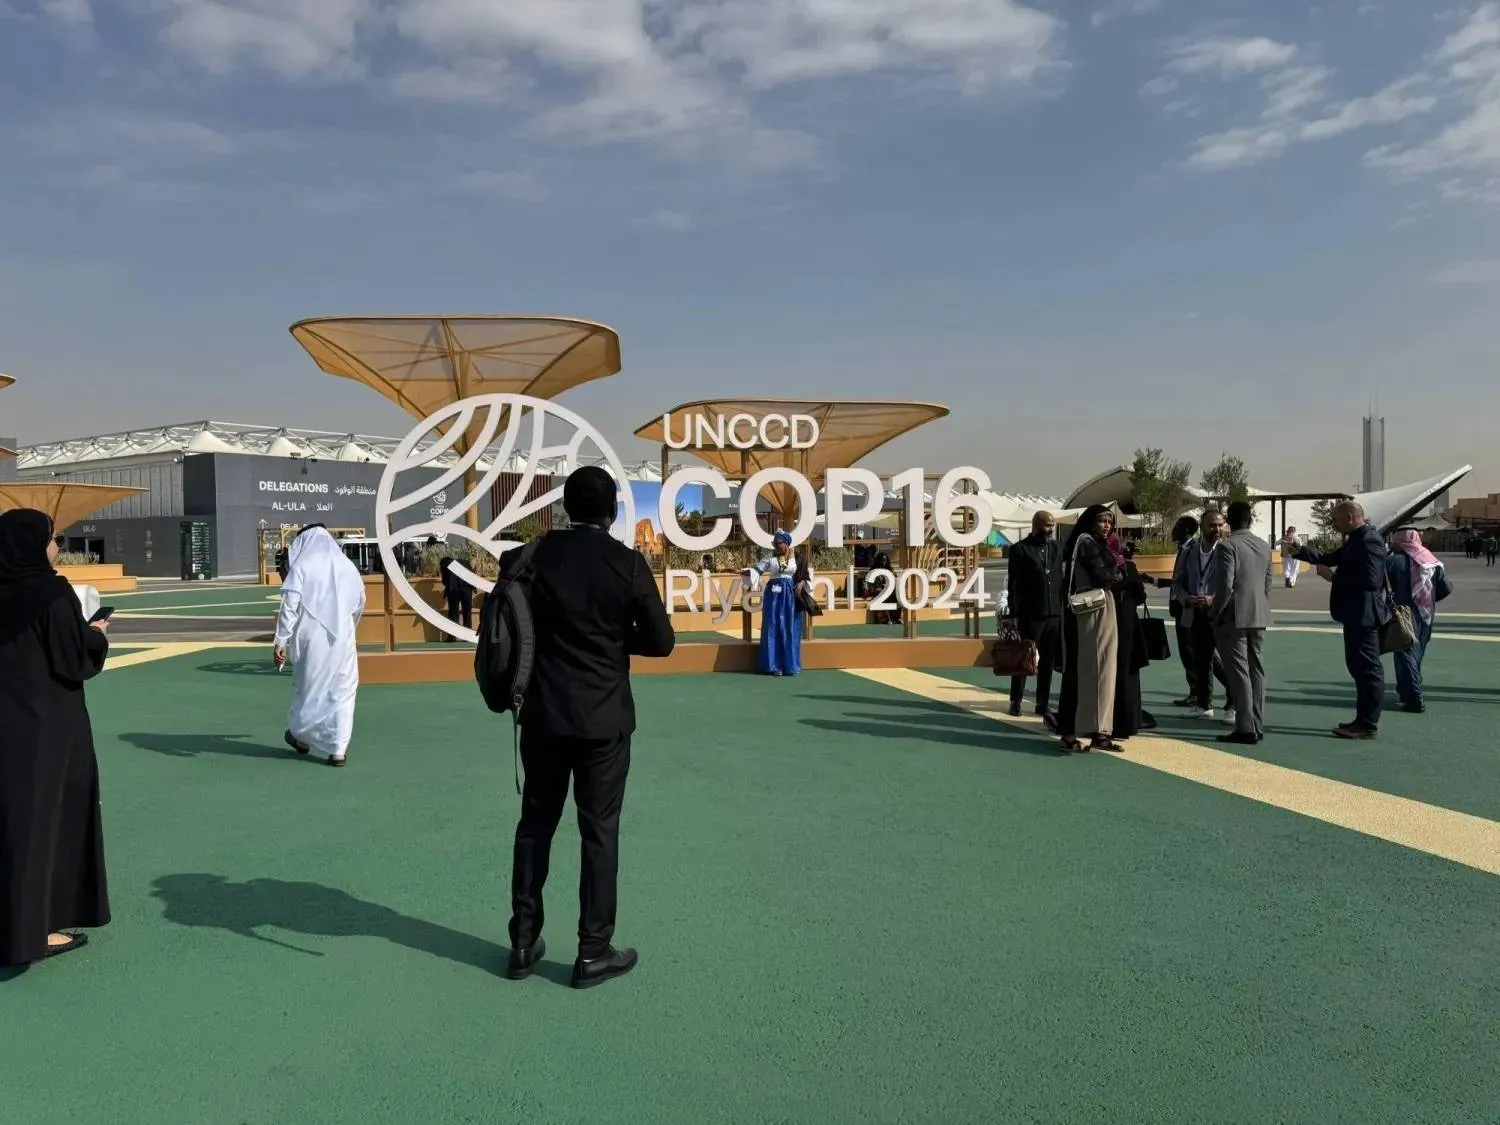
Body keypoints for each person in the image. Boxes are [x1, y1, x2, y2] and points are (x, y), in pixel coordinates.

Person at [504, 466, 675, 990]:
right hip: (603, 717)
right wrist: (616, 641)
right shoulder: (626, 563)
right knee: (598, 832)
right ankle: (593, 952)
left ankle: (523, 943)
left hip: (544, 714)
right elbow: (662, 640)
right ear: (613, 511)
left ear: (565, 507)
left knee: (536, 825)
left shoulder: (530, 559)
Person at [0, 509, 111, 967]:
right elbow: (72, 660)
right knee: (42, 826)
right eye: (54, 539)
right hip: (47, 729)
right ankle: (32, 933)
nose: (57, 548)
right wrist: (95, 635)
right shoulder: (51, 592)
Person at [1293, 500, 1389, 739]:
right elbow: (1328, 556)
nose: (1333, 525)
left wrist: (1334, 578)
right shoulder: (1356, 540)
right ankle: (1361, 719)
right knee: (1358, 668)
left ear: (1349, 517)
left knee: (1368, 671)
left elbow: (1371, 581)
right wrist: (1300, 550)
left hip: (1365, 616)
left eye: (1335, 520)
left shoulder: (1370, 541)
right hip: (1355, 615)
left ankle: (1368, 724)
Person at [274, 524, 366, 766]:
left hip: (309, 638)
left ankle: (299, 735)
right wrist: (348, 629)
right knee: (343, 691)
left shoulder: (303, 566)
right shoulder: (348, 566)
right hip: (343, 638)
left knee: (309, 688)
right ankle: (338, 749)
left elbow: (290, 605)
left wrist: (281, 639)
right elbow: (359, 603)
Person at [1056, 505, 1126, 754]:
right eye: (1102, 521)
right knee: (1095, 669)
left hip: (1086, 612)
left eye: (1109, 522)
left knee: (1092, 670)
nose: (1106, 526)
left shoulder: (1080, 542)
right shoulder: (1087, 543)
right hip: (1093, 611)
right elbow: (1109, 575)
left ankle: (1091, 731)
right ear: (1090, 523)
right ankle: (1083, 732)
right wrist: (1120, 568)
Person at [1212, 500, 1274, 745]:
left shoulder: (1227, 546)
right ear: (1250, 519)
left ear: (1228, 519)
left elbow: (1226, 585)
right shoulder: (1263, 545)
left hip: (1234, 616)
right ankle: (1256, 723)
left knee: (1239, 672)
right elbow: (1268, 583)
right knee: (1256, 668)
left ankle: (1245, 727)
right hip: (1259, 614)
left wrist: (1216, 612)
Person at [1171, 508, 1233, 722]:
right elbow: (1177, 581)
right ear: (1202, 526)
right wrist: (1185, 598)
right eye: (1212, 525)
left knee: (1228, 660)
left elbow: (1233, 584)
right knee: (1202, 660)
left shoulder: (1228, 549)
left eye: (1219, 525)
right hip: (1195, 612)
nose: (1216, 529)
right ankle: (1204, 705)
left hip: (1221, 612)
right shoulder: (1190, 551)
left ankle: (1232, 705)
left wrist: (1213, 599)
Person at [1002, 510, 1062, 729]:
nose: (1051, 529)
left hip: (1054, 614)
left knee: (1047, 662)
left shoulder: (1056, 548)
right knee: (1024, 658)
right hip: (1030, 614)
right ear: (1037, 525)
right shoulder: (1019, 550)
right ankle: (1015, 700)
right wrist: (1014, 614)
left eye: (1053, 525)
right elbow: (1014, 585)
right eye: (1047, 525)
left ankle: (1042, 703)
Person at [1385, 529, 1452, 713]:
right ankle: (1405, 690)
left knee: (1404, 653)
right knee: (1416, 653)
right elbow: (1446, 588)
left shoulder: (1392, 562)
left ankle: (1414, 696)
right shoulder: (1432, 563)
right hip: (1426, 615)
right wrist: (1427, 598)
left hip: (1401, 614)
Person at [1106, 530, 1154, 738]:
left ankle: (1106, 720)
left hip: (1105, 626)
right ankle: (1128, 722)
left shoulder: (1100, 567)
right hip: (1128, 627)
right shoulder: (1128, 567)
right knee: (1128, 672)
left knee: (1108, 672)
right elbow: (1141, 597)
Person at [745, 530, 802, 676]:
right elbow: (757, 570)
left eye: (779, 543)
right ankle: (774, 665)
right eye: (774, 543)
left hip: (789, 594)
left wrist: (802, 583)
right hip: (773, 595)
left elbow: (803, 573)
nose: (776, 546)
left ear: (786, 543)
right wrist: (748, 573)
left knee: (788, 627)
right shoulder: (769, 557)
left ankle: (789, 664)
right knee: (772, 626)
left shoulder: (796, 556)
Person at [438, 554, 473, 639]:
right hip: (466, 589)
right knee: (467, 612)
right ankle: (468, 635)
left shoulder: (445, 564)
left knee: (453, 613)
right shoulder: (464, 562)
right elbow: (472, 575)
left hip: (454, 590)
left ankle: (452, 636)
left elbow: (445, 581)